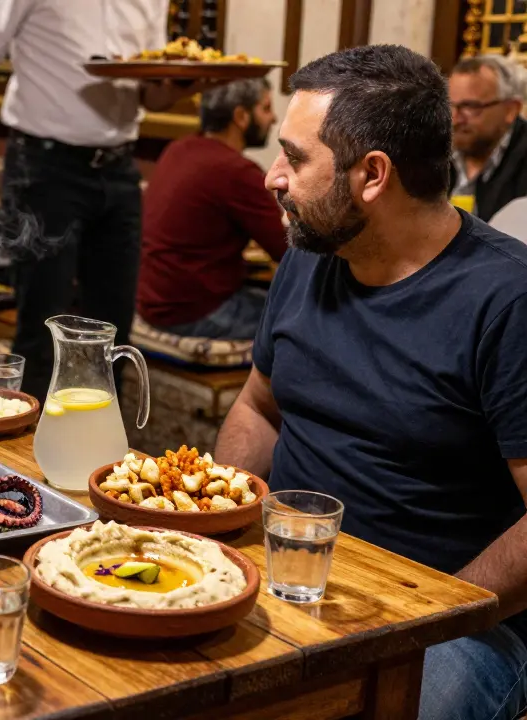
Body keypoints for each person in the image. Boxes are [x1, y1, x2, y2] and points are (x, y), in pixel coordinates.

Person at [213, 45, 527, 720]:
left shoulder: (507, 300)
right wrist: (210, 526)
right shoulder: (313, 252)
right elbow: (260, 408)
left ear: (372, 175)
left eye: (295, 159)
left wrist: (430, 615)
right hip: (285, 571)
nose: (273, 178)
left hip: (450, 616)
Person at [0, 0, 201, 400]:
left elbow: (149, 95)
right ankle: (28, 456)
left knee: (113, 335)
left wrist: (182, 85)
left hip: (119, 169)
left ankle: (102, 456)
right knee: (42, 329)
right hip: (45, 167)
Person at [137, 78, 284, 339]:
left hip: (152, 302)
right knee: (310, 320)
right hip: (194, 312)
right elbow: (286, 250)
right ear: (240, 116)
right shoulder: (236, 171)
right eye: (266, 108)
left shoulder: (179, 148)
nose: (273, 119)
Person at [449, 55, 527, 222]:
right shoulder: (433, 149)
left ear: (511, 110)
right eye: (449, 105)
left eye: (470, 106)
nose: (455, 118)